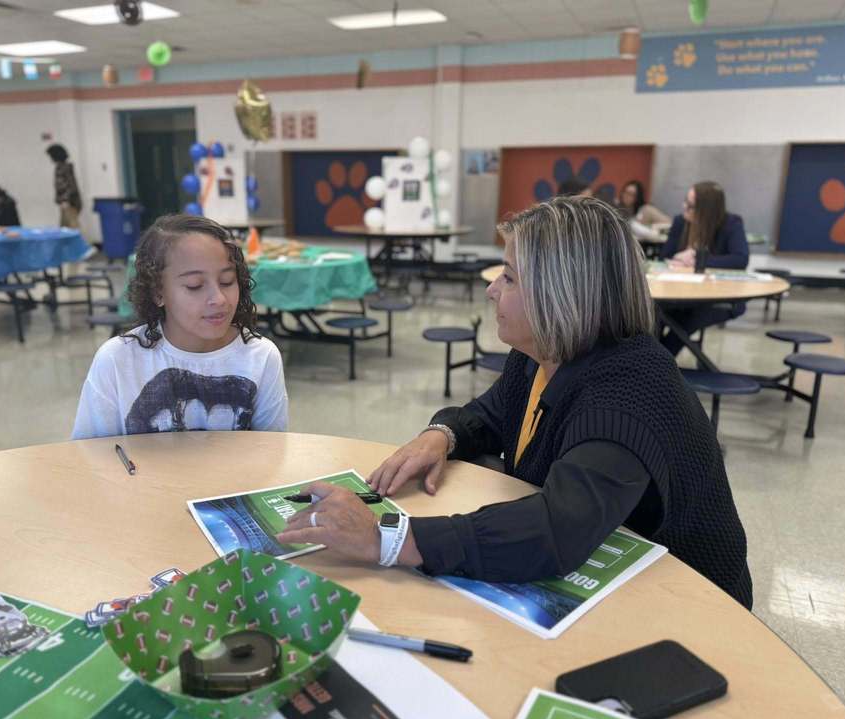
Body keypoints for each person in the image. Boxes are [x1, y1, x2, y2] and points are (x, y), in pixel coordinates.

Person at [277, 197, 752, 609]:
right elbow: (491, 414)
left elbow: (556, 530)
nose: (491, 290)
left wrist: (389, 538)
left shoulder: (629, 388)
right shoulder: (541, 355)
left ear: (561, 294)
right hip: (617, 569)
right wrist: (440, 435)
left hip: (690, 602)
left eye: (508, 278)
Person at [71, 214, 287, 439]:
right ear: (158, 292)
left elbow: (272, 453)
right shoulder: (116, 360)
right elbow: (89, 456)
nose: (219, 299)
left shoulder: (261, 357)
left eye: (227, 281)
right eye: (195, 286)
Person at [659, 181, 750, 355]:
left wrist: (698, 259)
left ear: (706, 209)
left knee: (684, 323)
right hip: (678, 294)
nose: (684, 207)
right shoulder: (680, 222)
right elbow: (665, 256)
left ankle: (659, 364)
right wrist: (677, 257)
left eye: (691, 205)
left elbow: (740, 259)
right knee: (653, 316)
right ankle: (652, 362)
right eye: (685, 201)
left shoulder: (730, 224)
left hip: (717, 298)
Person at [45, 143, 82, 229]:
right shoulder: (59, 167)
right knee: (64, 228)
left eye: (51, 155)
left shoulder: (65, 168)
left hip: (69, 202)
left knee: (73, 228)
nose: (50, 158)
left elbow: (72, 186)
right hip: (64, 202)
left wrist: (66, 200)